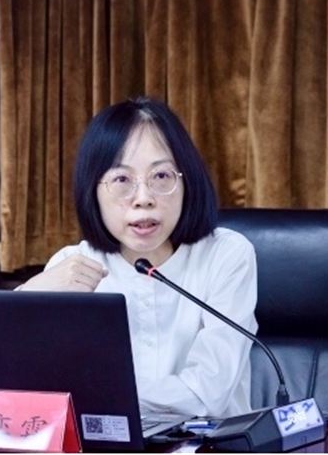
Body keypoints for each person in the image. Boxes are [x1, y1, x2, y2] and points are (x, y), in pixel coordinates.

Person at [19, 96, 258, 418]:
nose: (143, 198)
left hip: (212, 441)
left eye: (161, 177)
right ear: (93, 191)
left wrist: (96, 393)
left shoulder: (225, 255)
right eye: (122, 180)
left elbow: (207, 393)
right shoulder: (72, 268)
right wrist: (29, 296)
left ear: (186, 182)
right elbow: (25, 386)